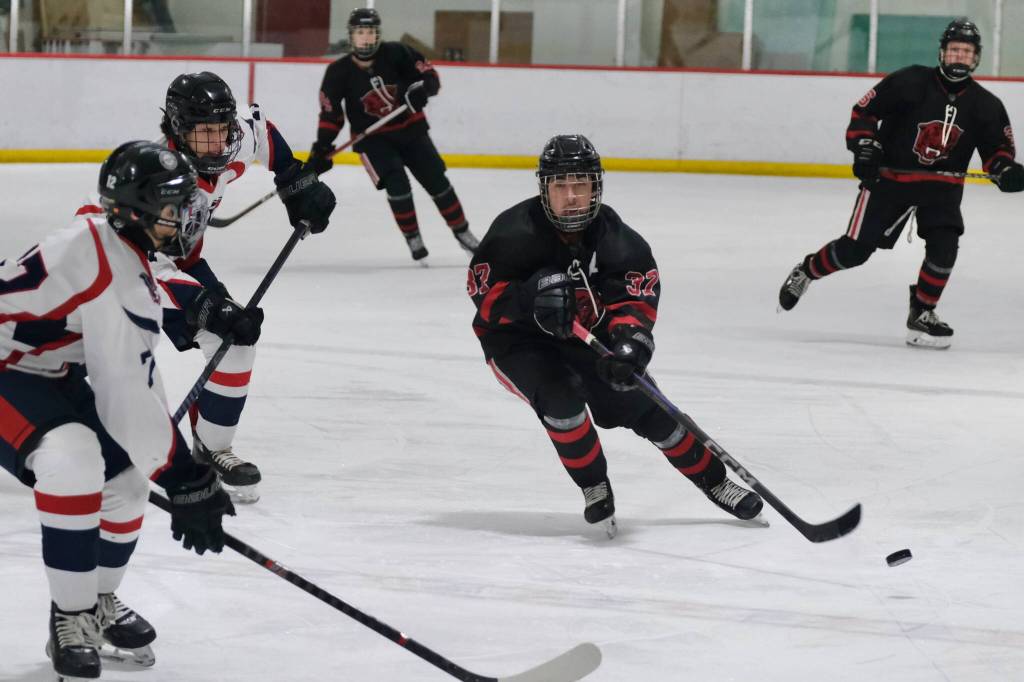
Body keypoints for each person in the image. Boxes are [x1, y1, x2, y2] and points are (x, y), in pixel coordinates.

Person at [0, 142, 236, 680]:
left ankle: (97, 601)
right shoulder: (113, 273)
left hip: (44, 369)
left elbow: (133, 390)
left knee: (127, 479)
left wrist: (175, 473)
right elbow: (126, 397)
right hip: (6, 368)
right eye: (173, 205)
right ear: (137, 210)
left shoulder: (121, 255)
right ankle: (72, 617)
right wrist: (182, 475)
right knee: (74, 458)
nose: (185, 216)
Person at [466, 134, 763, 536]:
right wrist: (527, 300)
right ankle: (594, 485)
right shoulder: (513, 232)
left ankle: (716, 481)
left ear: (596, 187)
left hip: (587, 336)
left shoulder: (617, 239)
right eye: (560, 186)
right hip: (518, 343)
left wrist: (629, 344)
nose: (571, 196)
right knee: (561, 403)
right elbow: (484, 295)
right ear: (544, 189)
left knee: (648, 407)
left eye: (580, 184)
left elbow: (634, 301)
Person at [79, 72, 337, 503]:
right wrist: (201, 301)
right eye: (205, 134)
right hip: (120, 272)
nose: (217, 144)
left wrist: (294, 180)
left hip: (183, 261)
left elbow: (262, 133)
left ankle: (212, 447)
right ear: (178, 131)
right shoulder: (158, 179)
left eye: (222, 131)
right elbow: (145, 266)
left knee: (235, 338)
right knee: (93, 360)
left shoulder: (231, 139)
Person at [778, 17, 1024, 349]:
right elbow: (864, 112)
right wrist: (866, 146)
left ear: (975, 57)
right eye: (954, 50)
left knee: (945, 246)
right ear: (942, 52)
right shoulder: (910, 80)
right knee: (854, 252)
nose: (959, 57)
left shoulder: (986, 105)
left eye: (966, 52)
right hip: (888, 182)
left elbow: (997, 151)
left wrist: (1004, 170)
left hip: (941, 190)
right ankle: (807, 271)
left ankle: (922, 312)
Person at [309, 7, 479, 263]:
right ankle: (412, 236)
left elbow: (429, 76)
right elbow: (331, 115)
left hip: (411, 130)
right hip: (372, 140)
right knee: (397, 183)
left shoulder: (398, 53)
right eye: (360, 32)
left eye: (371, 32)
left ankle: (463, 232)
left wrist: (422, 90)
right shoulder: (338, 72)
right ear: (351, 36)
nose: (366, 38)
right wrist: (322, 147)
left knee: (437, 181)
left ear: (378, 35)